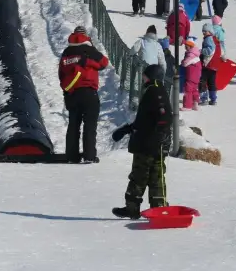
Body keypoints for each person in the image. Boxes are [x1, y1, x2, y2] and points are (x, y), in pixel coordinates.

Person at [111, 64, 173, 219]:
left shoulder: (156, 91)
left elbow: (164, 117)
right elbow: (146, 119)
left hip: (150, 144)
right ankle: (146, 208)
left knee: (147, 175)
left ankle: (147, 208)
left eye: (145, 75)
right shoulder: (154, 90)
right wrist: (128, 129)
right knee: (148, 175)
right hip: (148, 142)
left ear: (151, 76)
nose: (143, 78)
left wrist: (159, 137)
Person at [58, 27, 110, 163]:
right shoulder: (89, 50)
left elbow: (61, 74)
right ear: (85, 36)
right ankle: (89, 156)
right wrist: (89, 62)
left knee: (73, 125)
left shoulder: (66, 52)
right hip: (88, 92)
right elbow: (104, 63)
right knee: (90, 125)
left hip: (72, 93)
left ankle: (71, 156)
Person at [199, 23, 220, 106]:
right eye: (203, 31)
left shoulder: (208, 39)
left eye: (205, 31)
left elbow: (210, 51)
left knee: (203, 81)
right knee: (212, 83)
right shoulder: (215, 39)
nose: (203, 33)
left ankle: (204, 99)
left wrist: (201, 51)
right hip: (214, 66)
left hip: (208, 64)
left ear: (209, 31)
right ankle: (213, 99)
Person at [181, 39, 202, 110]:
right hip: (196, 76)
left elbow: (185, 63)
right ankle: (195, 104)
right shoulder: (195, 53)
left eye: (186, 46)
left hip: (191, 76)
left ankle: (187, 106)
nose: (185, 47)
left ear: (190, 46)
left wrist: (182, 61)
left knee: (188, 90)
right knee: (194, 90)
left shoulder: (191, 54)